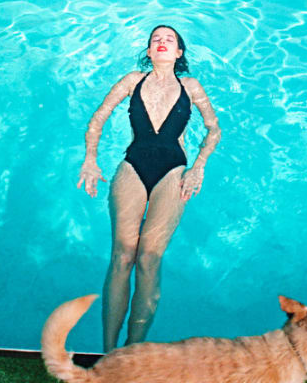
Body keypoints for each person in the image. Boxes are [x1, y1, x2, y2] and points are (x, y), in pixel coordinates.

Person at [78, 24, 221, 351]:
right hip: (133, 166)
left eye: (169, 39)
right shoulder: (133, 81)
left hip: (173, 171)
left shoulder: (191, 87)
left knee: (148, 259)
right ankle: (109, 352)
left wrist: (199, 166)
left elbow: (214, 130)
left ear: (179, 52)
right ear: (149, 50)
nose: (162, 42)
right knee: (122, 257)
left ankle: (133, 351)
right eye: (156, 39)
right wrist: (90, 160)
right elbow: (98, 118)